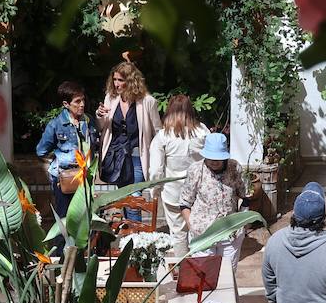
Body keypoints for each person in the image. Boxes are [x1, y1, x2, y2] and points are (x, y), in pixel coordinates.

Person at [95, 61, 162, 224]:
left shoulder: (147, 102)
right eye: (115, 79)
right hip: (116, 154)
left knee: (134, 196)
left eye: (120, 80)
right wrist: (99, 116)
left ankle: (136, 234)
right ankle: (130, 231)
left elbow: (158, 131)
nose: (116, 84)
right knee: (124, 196)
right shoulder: (111, 98)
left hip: (137, 154)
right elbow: (102, 127)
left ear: (131, 81)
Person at [147, 94, 209, 257]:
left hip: (173, 193)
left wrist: (155, 189)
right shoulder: (202, 131)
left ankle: (183, 267)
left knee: (178, 233)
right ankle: (200, 264)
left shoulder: (163, 136)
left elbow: (156, 169)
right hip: (199, 192)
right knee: (200, 230)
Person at [35, 80, 92, 255]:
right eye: (77, 101)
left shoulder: (87, 121)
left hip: (84, 177)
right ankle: (62, 257)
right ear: (66, 104)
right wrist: (60, 159)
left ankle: (81, 256)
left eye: (83, 100)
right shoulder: (56, 124)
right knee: (64, 218)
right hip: (65, 178)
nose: (82, 105)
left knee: (84, 218)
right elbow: (41, 150)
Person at [178, 132, 248, 268]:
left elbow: (245, 196)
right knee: (204, 273)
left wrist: (243, 223)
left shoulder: (235, 168)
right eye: (210, 158)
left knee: (228, 273)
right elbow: (185, 203)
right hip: (203, 234)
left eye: (218, 158)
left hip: (230, 233)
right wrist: (192, 225)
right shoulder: (196, 170)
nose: (214, 162)